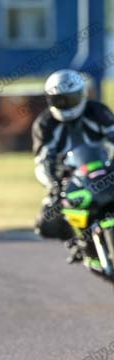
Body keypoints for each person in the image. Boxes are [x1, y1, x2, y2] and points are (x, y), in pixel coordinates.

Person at [32, 69, 114, 240]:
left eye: (70, 99)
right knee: (46, 223)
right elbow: (42, 162)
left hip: (104, 172)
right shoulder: (45, 124)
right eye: (59, 100)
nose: (66, 104)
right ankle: (78, 242)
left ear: (82, 95)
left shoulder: (98, 112)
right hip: (70, 182)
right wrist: (53, 184)